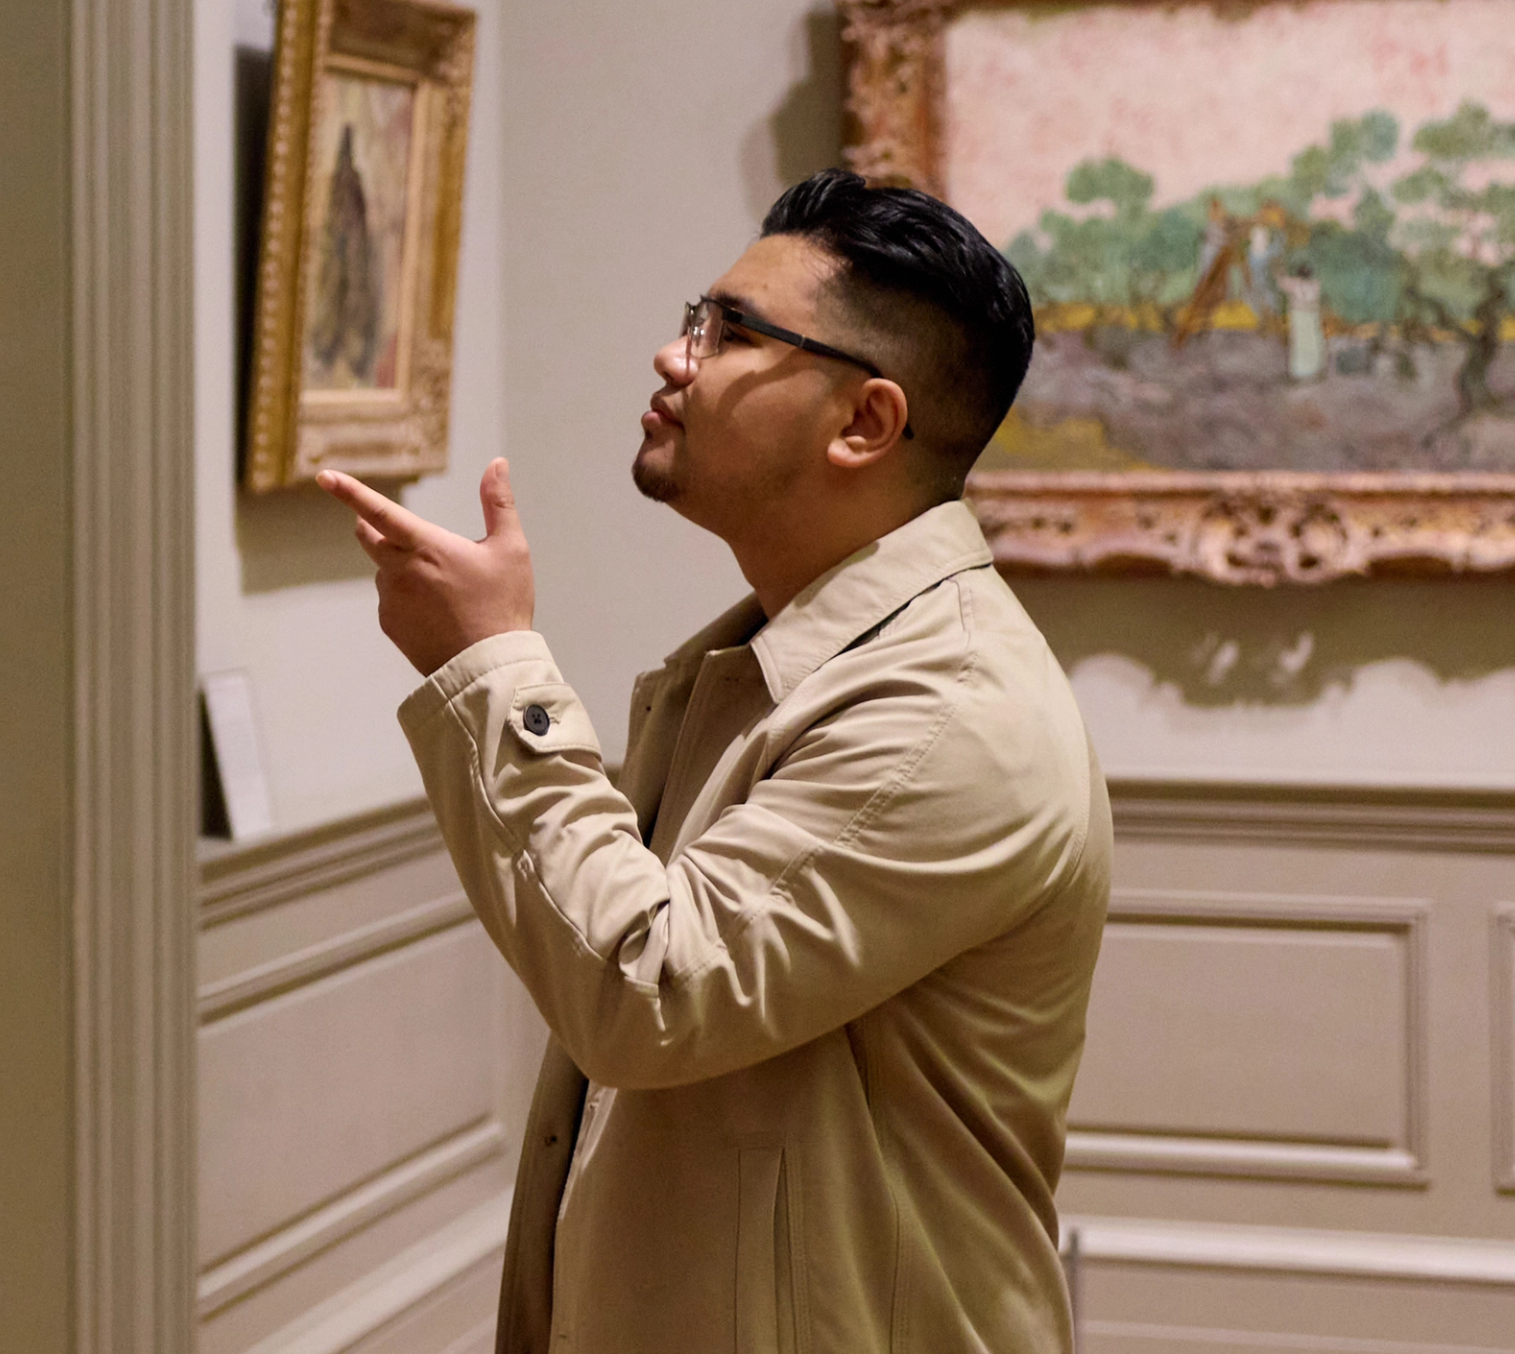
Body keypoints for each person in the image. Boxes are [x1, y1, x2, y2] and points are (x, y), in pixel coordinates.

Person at [319, 169, 1110, 1354]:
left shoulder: (949, 708)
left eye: (730, 333)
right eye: (701, 316)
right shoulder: (794, 656)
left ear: (865, 423)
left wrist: (489, 664)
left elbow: (649, 991)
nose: (673, 356)